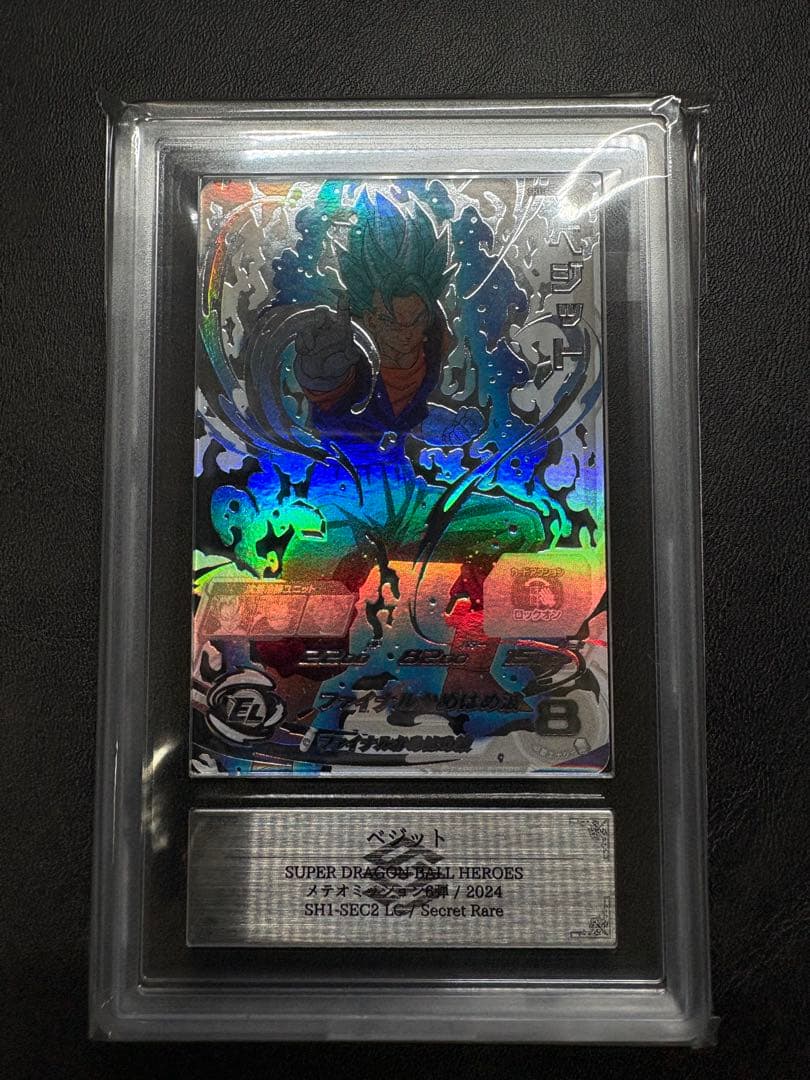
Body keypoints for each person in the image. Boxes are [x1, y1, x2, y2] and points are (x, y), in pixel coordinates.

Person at [293, 192, 482, 445]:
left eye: (416, 319)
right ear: (370, 319)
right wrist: (317, 376)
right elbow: (331, 401)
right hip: (336, 462)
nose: (406, 333)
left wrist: (445, 428)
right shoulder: (351, 357)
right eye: (391, 321)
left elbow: (407, 418)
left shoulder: (431, 350)